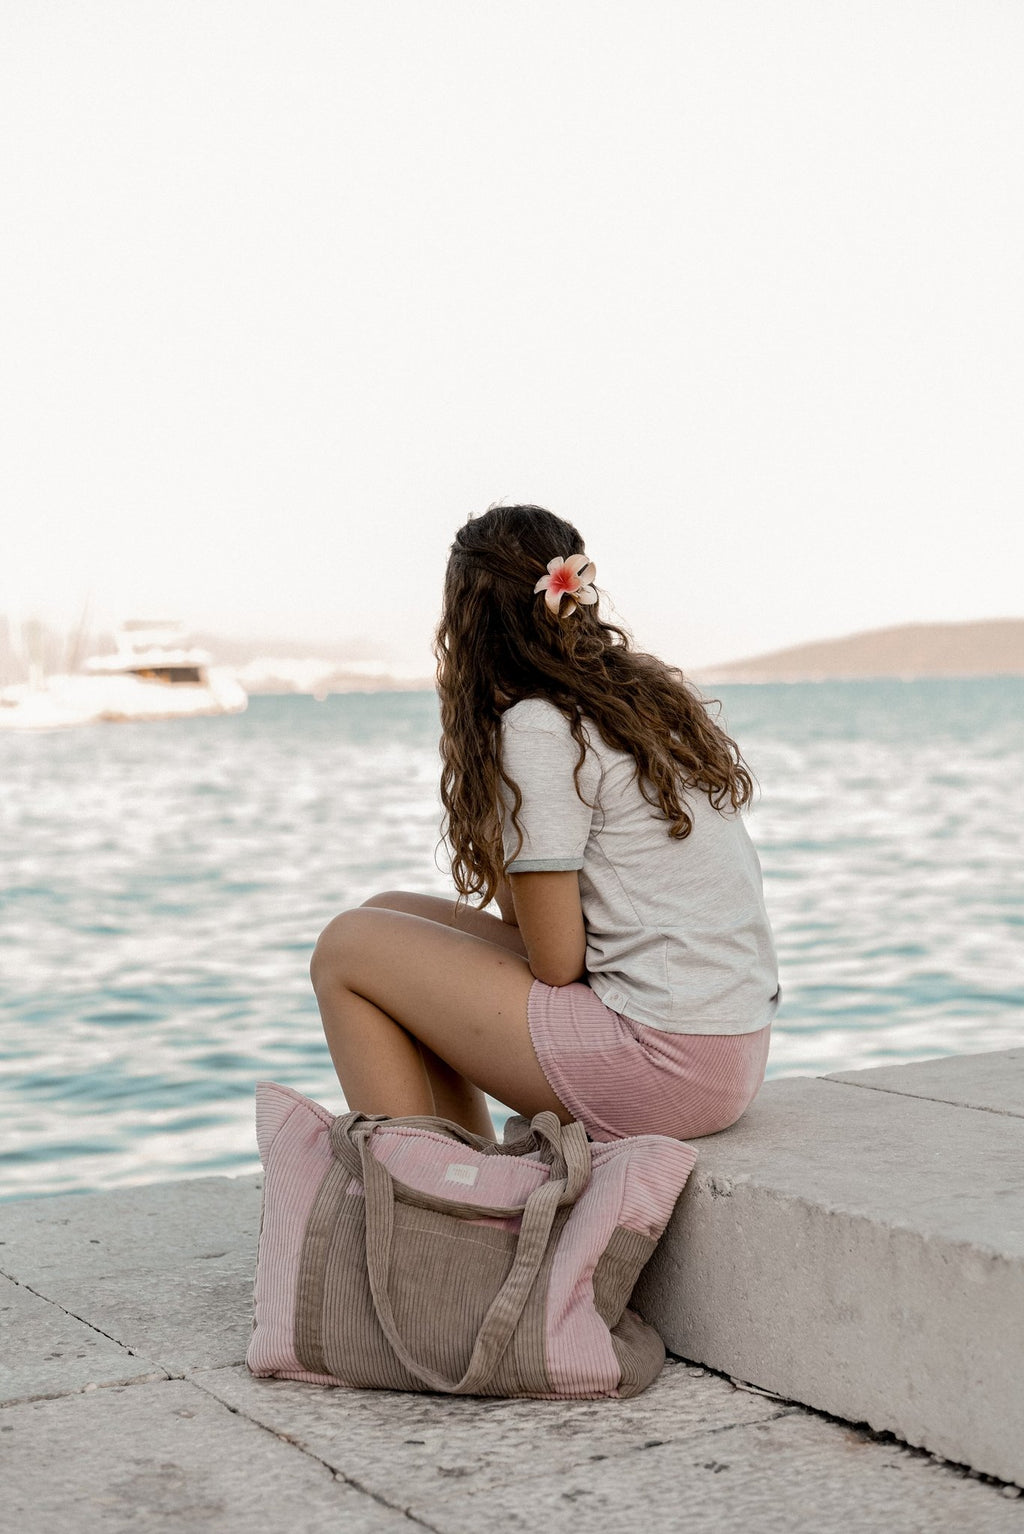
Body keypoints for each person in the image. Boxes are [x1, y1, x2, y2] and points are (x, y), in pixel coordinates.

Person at [310, 504, 779, 1143]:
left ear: (467, 626)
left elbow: (556, 961)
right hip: (726, 1048)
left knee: (348, 946)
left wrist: (494, 788)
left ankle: (429, 1193)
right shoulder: (629, 703)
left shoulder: (538, 725)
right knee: (388, 913)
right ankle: (469, 1173)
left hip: (665, 1064)